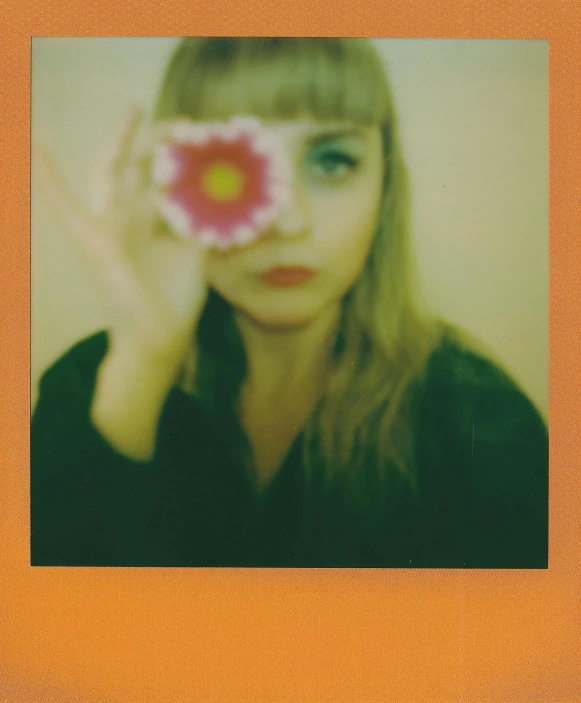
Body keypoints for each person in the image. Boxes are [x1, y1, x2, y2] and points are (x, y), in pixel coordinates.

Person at [31, 38, 548, 568]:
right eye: (230, 166)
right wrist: (141, 365)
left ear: (384, 185)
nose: (287, 222)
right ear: (174, 180)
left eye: (331, 161)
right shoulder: (92, 388)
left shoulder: (480, 421)